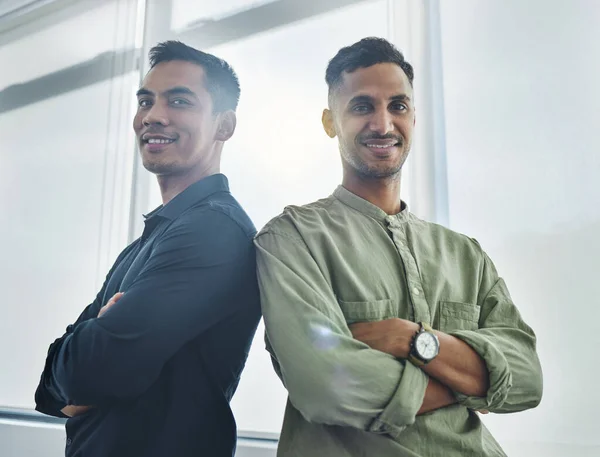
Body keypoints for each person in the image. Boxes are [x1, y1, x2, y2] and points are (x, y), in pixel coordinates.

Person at [255, 37, 542, 457]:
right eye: (361, 106)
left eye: (398, 106)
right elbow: (323, 385)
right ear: (330, 121)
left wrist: (410, 339)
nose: (383, 124)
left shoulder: (466, 254)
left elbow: (528, 378)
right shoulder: (291, 239)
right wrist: (469, 378)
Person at [34, 41, 261, 457]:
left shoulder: (213, 230)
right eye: (145, 100)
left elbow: (92, 370)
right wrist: (81, 362)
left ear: (224, 126)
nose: (153, 116)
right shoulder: (149, 241)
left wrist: (86, 357)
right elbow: (49, 391)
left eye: (179, 100)